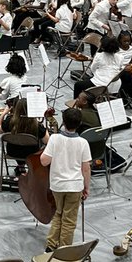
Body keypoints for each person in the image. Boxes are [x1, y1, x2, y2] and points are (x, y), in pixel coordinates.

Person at [39, 106, 91, 252]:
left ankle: (51, 245)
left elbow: (44, 161)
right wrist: (87, 187)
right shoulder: (83, 143)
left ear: (63, 121)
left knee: (58, 214)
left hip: (57, 185)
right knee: (69, 220)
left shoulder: (54, 139)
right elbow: (85, 168)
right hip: (75, 186)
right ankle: (64, 249)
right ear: (79, 123)